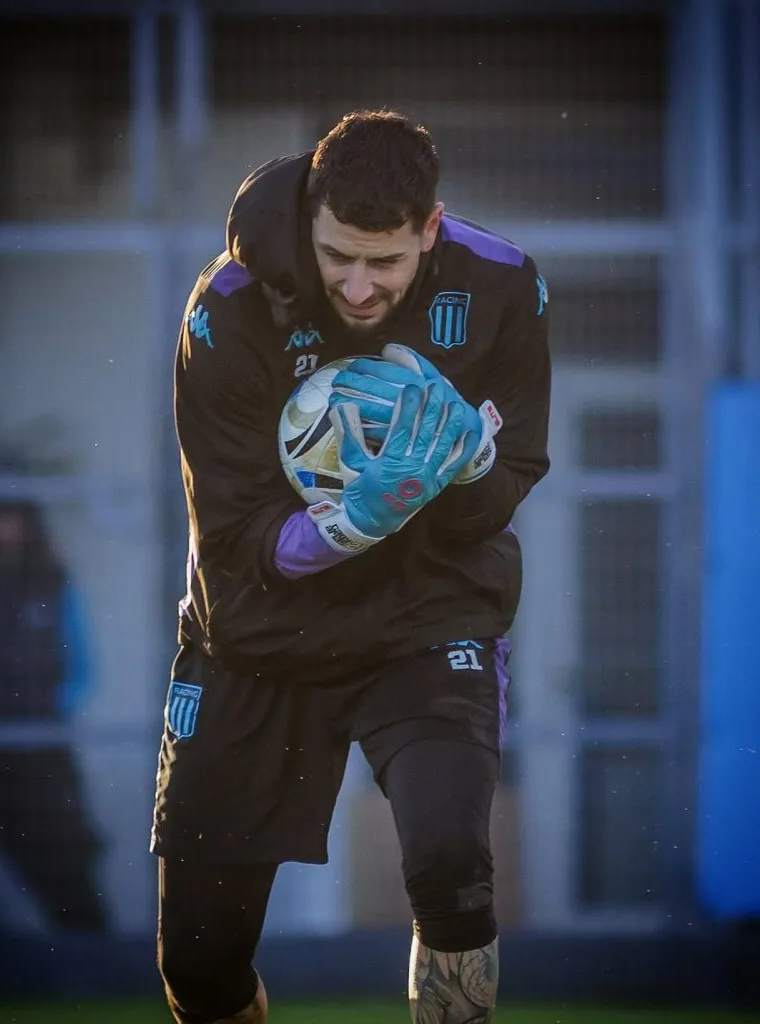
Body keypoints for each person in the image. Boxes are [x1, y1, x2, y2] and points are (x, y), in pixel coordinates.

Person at [152, 109, 551, 1023]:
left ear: (431, 229)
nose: (360, 286)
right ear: (310, 223)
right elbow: (231, 533)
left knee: (452, 859)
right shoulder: (227, 305)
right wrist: (350, 523)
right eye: (338, 256)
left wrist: (470, 464)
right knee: (201, 965)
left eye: (386, 260)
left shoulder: (502, 285)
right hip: (258, 635)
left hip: (426, 616)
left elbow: (515, 473)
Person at [0, 500, 106, 932]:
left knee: (63, 858)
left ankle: (94, 957)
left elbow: (81, 669)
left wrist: (49, 718)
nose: (4, 529)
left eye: (12, 518)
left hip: (41, 752)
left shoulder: (54, 585)